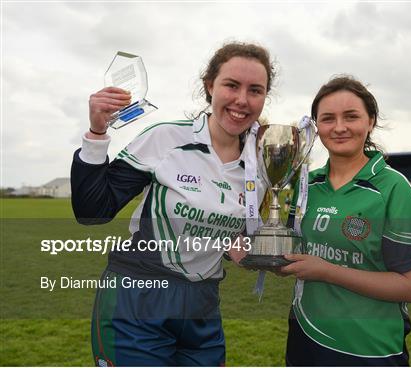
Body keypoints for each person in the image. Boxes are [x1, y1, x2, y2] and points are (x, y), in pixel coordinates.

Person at [70, 42, 274, 366]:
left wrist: (242, 247)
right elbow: (93, 211)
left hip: (203, 307)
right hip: (138, 298)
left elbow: (234, 233)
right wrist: (97, 132)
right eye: (231, 85)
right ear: (210, 86)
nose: (242, 100)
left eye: (255, 90)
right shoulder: (166, 139)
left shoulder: (261, 165)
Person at [280, 75, 411, 366]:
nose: (340, 127)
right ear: (316, 126)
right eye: (328, 118)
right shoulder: (308, 186)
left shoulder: (392, 187)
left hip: (369, 348)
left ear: (370, 121)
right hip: (305, 336)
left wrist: (327, 271)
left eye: (351, 116)